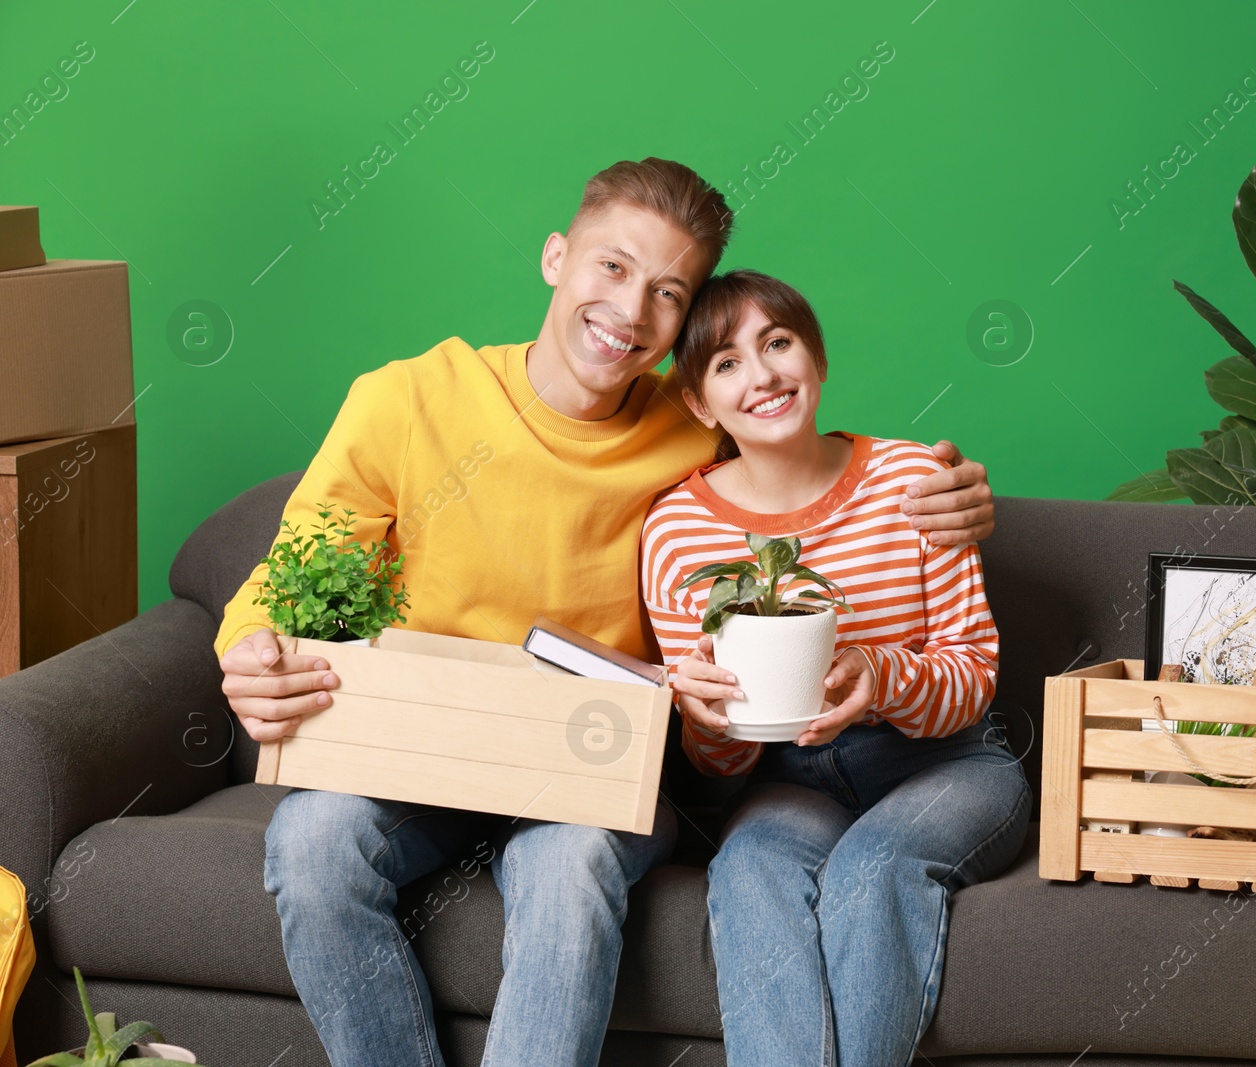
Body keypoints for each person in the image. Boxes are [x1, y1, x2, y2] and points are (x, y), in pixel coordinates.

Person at [214, 159, 997, 1067]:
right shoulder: (408, 398)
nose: (630, 313)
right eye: (612, 268)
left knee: (568, 865)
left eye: (668, 292)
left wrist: (954, 496)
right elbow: (306, 556)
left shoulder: (692, 424)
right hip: (422, 756)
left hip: (593, 770)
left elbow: (805, 467)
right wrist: (249, 650)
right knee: (309, 842)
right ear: (557, 257)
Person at [641, 271, 1031, 1067]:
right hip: (789, 779)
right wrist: (705, 720)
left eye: (778, 343)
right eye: (726, 363)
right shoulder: (677, 532)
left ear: (816, 359)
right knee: (747, 866)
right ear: (698, 403)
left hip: (945, 761)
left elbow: (972, 674)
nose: (762, 374)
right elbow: (718, 764)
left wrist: (877, 677)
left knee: (876, 866)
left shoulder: (915, 482)